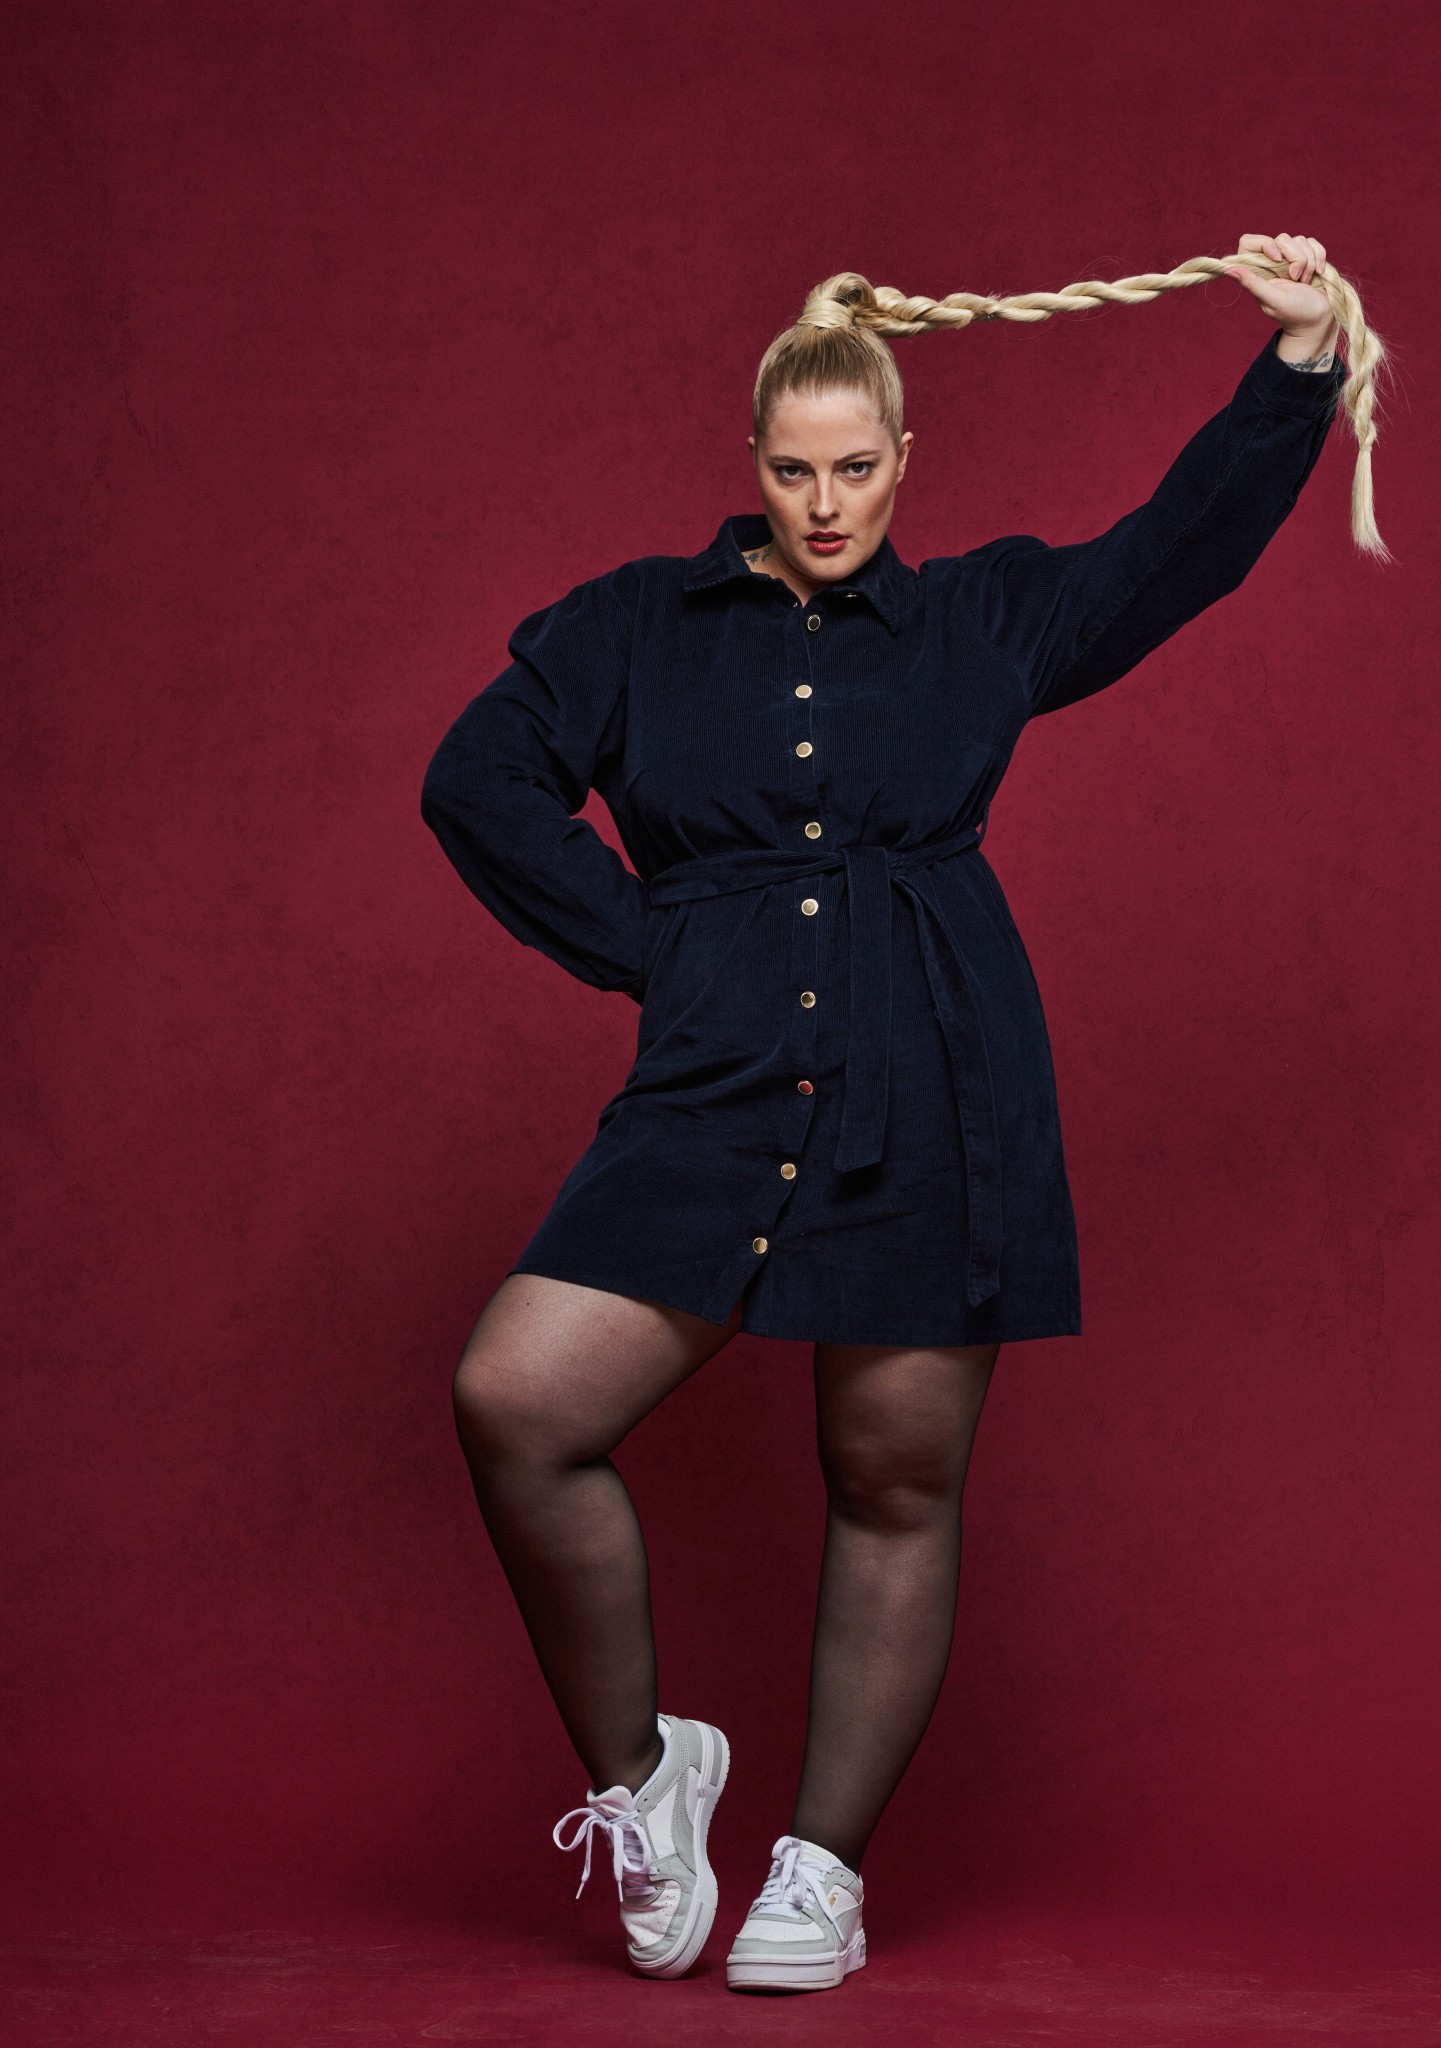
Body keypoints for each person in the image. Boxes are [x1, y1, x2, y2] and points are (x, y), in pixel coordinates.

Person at [420, 232, 1359, 1994]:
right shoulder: (631, 625)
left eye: (856, 470)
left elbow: (1171, 551)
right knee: (518, 1401)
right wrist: (653, 951)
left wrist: (1297, 362)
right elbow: (473, 780)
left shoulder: (981, 617)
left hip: (936, 1067)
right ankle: (646, 1779)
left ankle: (823, 1869)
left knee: (894, 1476)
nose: (826, 504)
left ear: (904, 461)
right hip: (711, 1082)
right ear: (750, 461)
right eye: (794, 472)